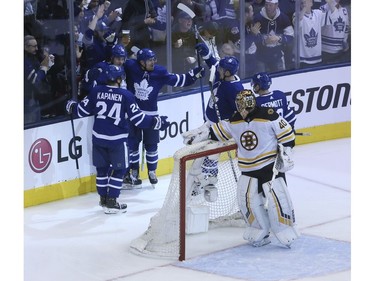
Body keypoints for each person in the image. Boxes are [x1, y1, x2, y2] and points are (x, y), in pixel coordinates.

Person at [183, 89, 299, 247]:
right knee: (247, 201)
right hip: (248, 169)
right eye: (240, 106)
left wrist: (286, 153)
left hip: (269, 168)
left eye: (243, 106)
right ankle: (259, 230)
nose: (241, 110)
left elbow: (288, 135)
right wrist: (200, 135)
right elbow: (217, 132)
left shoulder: (269, 115)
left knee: (276, 200)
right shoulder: (234, 120)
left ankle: (285, 229)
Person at [65, 65, 170, 214]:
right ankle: (112, 201)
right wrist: (156, 122)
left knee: (101, 170)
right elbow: (138, 119)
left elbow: (81, 110)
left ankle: (103, 199)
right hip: (117, 140)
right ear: (120, 79)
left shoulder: (96, 91)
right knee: (119, 170)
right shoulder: (126, 95)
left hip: (98, 139)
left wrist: (71, 106)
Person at [123, 48, 205, 188]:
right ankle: (134, 170)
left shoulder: (159, 72)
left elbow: (178, 80)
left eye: (154, 59)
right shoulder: (131, 66)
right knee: (132, 145)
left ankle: (152, 171)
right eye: (149, 60)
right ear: (141, 62)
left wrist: (193, 75)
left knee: (152, 145)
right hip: (133, 114)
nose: (153, 62)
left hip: (151, 116)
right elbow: (116, 64)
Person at [183, 42, 244, 196]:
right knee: (192, 144)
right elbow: (212, 61)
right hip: (209, 123)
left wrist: (230, 128)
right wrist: (205, 53)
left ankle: (209, 183)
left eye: (222, 69)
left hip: (221, 128)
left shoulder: (236, 89)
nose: (219, 69)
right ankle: (199, 180)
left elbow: (242, 114)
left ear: (228, 72)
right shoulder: (221, 72)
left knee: (210, 156)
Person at [252, 0, 294, 72]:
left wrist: (279, 38)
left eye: (270, 5)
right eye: (266, 4)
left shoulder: (284, 18)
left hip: (277, 55)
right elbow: (254, 39)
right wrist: (264, 41)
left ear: (277, 5)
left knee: (280, 78)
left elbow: (290, 37)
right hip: (261, 56)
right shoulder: (257, 18)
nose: (268, 7)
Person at [292, 0, 337, 68]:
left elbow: (333, 17)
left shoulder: (318, 13)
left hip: (316, 58)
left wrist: (330, 2)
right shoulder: (297, 14)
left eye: (306, 1)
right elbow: (297, 24)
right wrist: (304, 8)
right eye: (302, 1)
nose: (304, 2)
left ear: (311, 3)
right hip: (301, 59)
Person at [24, 35, 55, 124]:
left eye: (37, 46)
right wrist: (44, 68)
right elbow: (35, 79)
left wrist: (47, 63)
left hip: (35, 98)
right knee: (31, 127)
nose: (37, 49)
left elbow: (39, 70)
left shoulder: (32, 57)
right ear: (25, 47)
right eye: (34, 46)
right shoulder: (24, 60)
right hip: (28, 101)